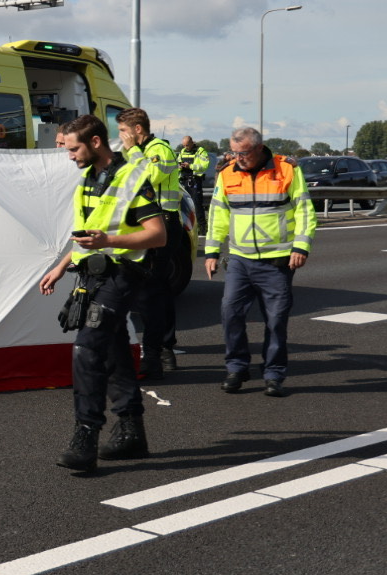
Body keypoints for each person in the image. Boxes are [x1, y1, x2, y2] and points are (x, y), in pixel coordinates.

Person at [38, 114, 167, 471]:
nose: (70, 156)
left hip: (122, 274)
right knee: (112, 348)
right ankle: (131, 432)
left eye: (74, 148)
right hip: (91, 275)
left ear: (96, 142)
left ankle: (86, 434)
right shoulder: (88, 179)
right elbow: (88, 234)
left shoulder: (131, 177)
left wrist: (109, 240)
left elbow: (158, 235)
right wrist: (61, 266)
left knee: (88, 347)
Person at [204, 125, 315, 397]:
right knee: (230, 313)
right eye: (234, 152)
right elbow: (218, 215)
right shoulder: (227, 173)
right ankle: (236, 368)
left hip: (276, 262)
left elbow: (304, 210)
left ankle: (273, 374)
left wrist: (301, 246)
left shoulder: (286, 170)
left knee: (276, 321)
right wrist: (212, 252)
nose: (238, 158)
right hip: (240, 260)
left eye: (243, 153)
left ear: (259, 148)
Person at [115, 108, 182, 379]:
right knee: (153, 290)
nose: (120, 136)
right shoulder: (134, 151)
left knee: (154, 290)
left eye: (123, 130)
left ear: (137, 130)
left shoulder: (159, 150)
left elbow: (145, 180)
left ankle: (160, 351)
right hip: (142, 224)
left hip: (162, 224)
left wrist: (131, 151)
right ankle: (162, 348)